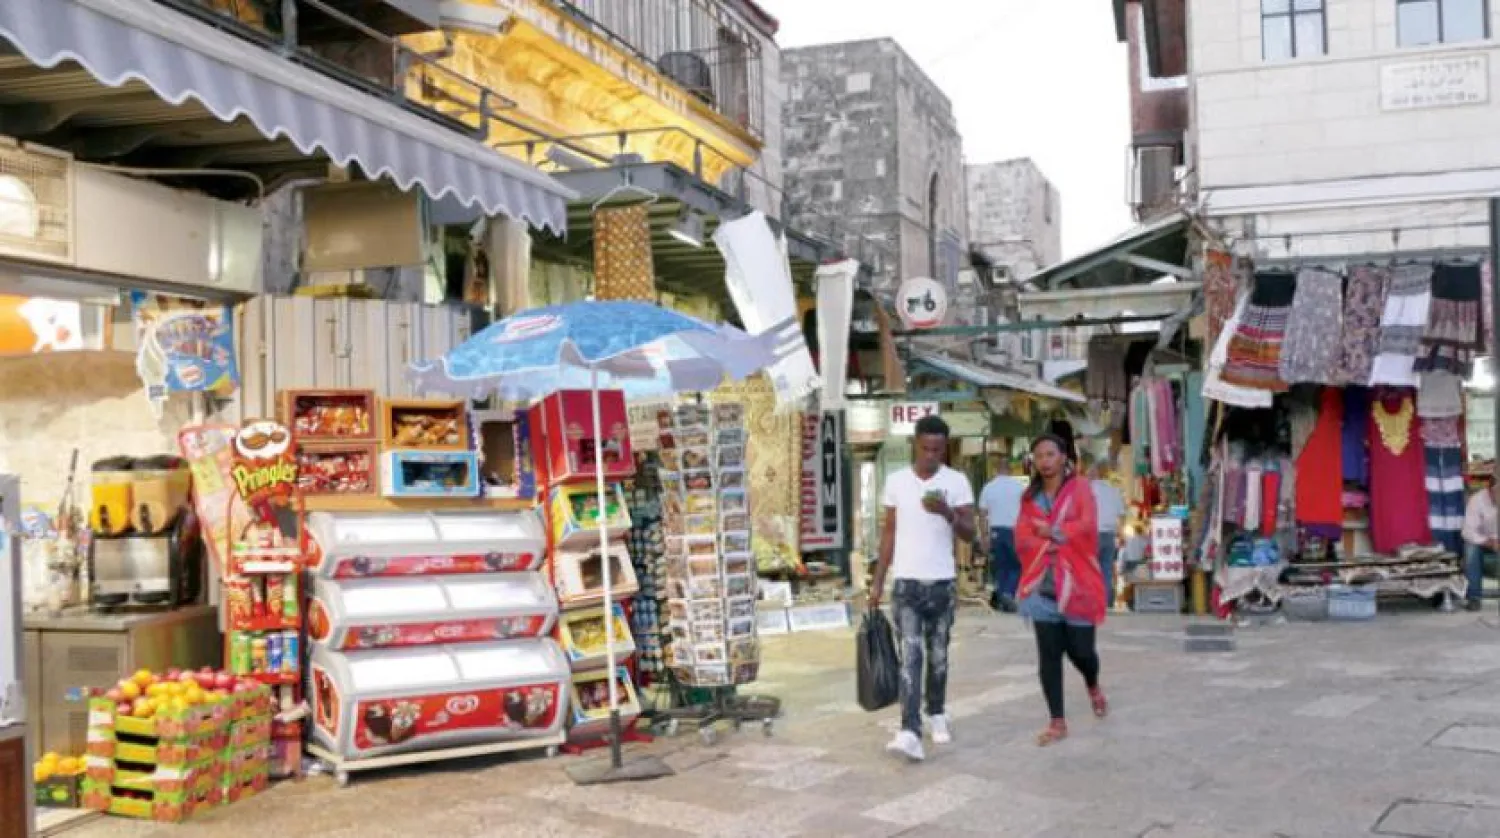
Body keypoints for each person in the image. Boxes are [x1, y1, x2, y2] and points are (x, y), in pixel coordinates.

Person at [869, 415, 976, 762]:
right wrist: (878, 581)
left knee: (939, 656)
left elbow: (970, 533)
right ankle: (909, 730)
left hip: (941, 583)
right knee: (910, 656)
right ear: (915, 444)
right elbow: (889, 533)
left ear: (945, 448)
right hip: (906, 584)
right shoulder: (897, 481)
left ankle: (937, 711)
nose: (931, 455)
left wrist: (947, 512)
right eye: (926, 448)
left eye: (938, 449)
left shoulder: (956, 481)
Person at [1015, 434, 1109, 747]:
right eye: (1039, 456)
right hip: (1042, 585)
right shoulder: (1030, 497)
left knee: (1082, 651)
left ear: (1063, 457)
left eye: (1050, 454)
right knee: (1049, 655)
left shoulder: (1080, 488)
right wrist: (1047, 543)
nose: (1044, 461)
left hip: (1078, 584)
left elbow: (1087, 526)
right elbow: (1022, 537)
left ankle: (1092, 683)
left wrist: (1054, 532)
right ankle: (1057, 721)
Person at [979, 469, 1025, 612]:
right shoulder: (1019, 487)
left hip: (996, 530)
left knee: (1000, 565)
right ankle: (1008, 593)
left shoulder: (988, 487)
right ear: (1009, 471)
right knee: (1016, 565)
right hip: (1014, 530)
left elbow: (982, 513)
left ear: (996, 471)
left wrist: (984, 535)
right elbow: (1026, 510)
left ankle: (1000, 595)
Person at [1089, 462, 1127, 608]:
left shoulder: (1086, 489)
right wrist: (1121, 534)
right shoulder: (1114, 491)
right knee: (1106, 570)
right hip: (1109, 535)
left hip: (1090, 535)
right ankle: (1105, 602)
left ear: (1094, 473)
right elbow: (1122, 515)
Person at [1460, 469, 1497, 611]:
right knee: (1470, 547)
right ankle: (1474, 597)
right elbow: (1468, 532)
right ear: (1490, 490)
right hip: (1484, 545)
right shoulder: (1477, 500)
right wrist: (1488, 541)